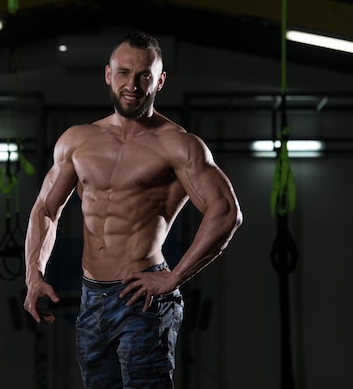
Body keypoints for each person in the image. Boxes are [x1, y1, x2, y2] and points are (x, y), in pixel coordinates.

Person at [23, 32, 243, 389]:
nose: (133, 85)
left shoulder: (178, 145)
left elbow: (227, 211)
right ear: (108, 75)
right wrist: (34, 275)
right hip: (90, 297)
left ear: (160, 80)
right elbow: (46, 208)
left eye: (144, 75)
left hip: (141, 297)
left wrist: (173, 279)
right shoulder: (77, 141)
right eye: (124, 73)